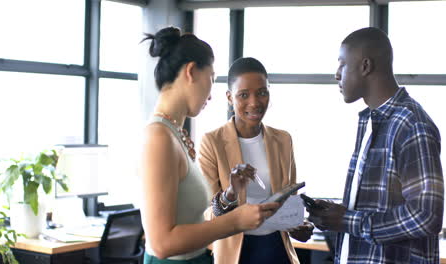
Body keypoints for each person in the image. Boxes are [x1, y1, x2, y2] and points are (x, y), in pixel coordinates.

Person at [139, 27, 281, 264]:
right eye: (212, 79)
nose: (211, 94)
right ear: (191, 72)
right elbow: (162, 243)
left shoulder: (174, 133)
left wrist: (231, 196)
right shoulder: (159, 137)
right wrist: (236, 221)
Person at [307, 27, 444, 264]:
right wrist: (337, 214)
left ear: (365, 66)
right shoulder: (373, 121)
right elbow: (380, 206)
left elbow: (426, 216)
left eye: (342, 64)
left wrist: (348, 220)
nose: (336, 75)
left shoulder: (411, 125)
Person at [199, 57, 314, 264]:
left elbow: (289, 198)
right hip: (236, 253)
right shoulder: (212, 142)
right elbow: (208, 213)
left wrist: (298, 225)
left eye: (262, 92)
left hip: (277, 249)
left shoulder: (283, 139)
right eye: (243, 95)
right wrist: (231, 193)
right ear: (229, 97)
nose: (254, 102)